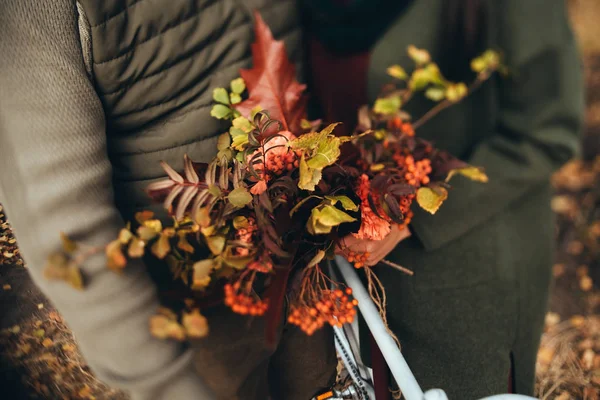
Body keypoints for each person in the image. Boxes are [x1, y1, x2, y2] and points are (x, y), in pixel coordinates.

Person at [0, 1, 336, 399]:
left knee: (312, 382)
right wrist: (163, 382)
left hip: (300, 253)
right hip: (195, 304)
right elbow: (60, 216)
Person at [303, 0, 584, 398]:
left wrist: (409, 215)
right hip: (362, 268)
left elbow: (546, 132)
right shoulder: (318, 10)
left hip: (466, 269)